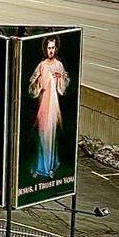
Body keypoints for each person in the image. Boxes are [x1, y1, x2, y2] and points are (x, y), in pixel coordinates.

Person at [27, 36, 70, 180]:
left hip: (54, 106)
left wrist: (60, 78)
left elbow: (64, 86)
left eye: (53, 48)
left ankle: (49, 167)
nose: (51, 51)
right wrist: (39, 82)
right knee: (41, 135)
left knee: (51, 135)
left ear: (55, 48)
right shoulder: (42, 65)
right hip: (43, 105)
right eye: (48, 48)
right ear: (45, 49)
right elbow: (33, 83)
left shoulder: (59, 65)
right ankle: (39, 166)